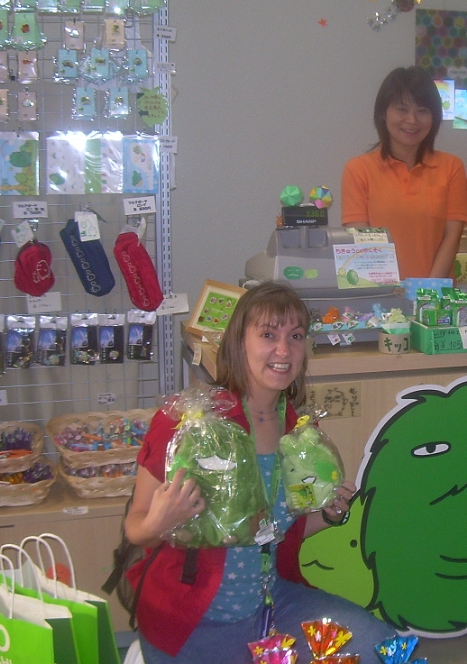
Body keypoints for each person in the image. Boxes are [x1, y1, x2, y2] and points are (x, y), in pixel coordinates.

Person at [124, 282, 396, 664]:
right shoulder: (191, 426)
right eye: (268, 334)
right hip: (190, 619)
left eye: (296, 336)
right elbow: (135, 528)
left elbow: (277, 529)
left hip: (272, 605)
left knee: (379, 647)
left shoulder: (299, 433)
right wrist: (160, 520)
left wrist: (329, 515)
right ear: (240, 343)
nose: (283, 350)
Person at [341, 66, 467, 279]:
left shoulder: (451, 167)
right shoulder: (358, 170)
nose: (412, 120)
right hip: (380, 299)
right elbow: (362, 245)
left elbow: (452, 238)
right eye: (402, 109)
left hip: (433, 299)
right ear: (383, 113)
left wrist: (426, 292)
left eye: (422, 111)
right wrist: (392, 294)